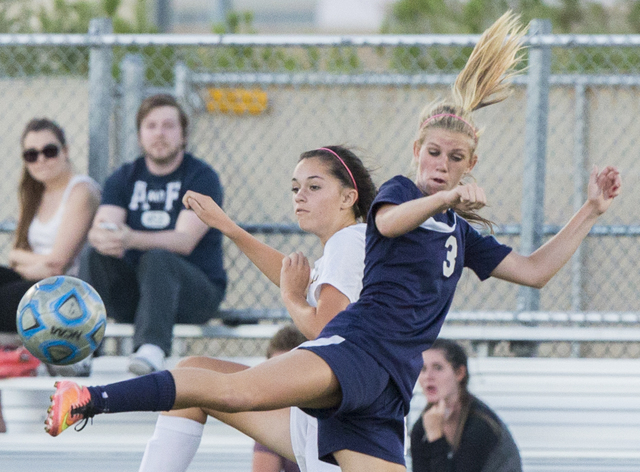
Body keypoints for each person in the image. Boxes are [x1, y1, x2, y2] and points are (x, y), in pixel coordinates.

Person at [44, 12, 621, 472]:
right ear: (416, 152)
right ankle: (89, 400)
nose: (442, 166)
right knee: (232, 390)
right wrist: (444, 199)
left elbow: (536, 270)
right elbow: (389, 226)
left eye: (457, 159)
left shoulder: (458, 234)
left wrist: (590, 211)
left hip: (387, 391)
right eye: (433, 153)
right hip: (357, 355)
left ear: (473, 163)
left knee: (217, 384)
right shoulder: (396, 199)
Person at [136, 145, 374, 472]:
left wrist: (292, 298)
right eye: (295, 188)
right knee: (192, 375)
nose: (300, 195)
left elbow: (325, 332)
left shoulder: (349, 242)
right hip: (326, 423)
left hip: (346, 431)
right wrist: (228, 227)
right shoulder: (347, 244)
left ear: (348, 198)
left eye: (314, 187)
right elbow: (290, 274)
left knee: (191, 378)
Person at [79, 94, 227, 376]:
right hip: (139, 296)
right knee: (94, 256)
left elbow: (184, 240)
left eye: (169, 126)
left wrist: (130, 238)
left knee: (159, 258)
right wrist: (104, 238)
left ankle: (151, 349)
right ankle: (83, 348)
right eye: (151, 126)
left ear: (183, 135)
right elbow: (103, 228)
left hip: (194, 293)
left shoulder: (201, 177)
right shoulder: (124, 177)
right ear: (139, 136)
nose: (160, 133)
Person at [0, 118, 100, 431]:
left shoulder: (82, 191)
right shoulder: (34, 193)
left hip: (67, 295)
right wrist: (27, 261)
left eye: (49, 150)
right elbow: (19, 264)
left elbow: (58, 263)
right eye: (31, 154)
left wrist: (21, 257)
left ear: (66, 151)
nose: (40, 159)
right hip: (35, 288)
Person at [410, 339, 522, 472]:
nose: (428, 376)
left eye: (438, 368)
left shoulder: (480, 423)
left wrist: (435, 438)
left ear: (459, 373)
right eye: (422, 369)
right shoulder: (422, 427)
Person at [253, 324, 307, 472]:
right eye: (275, 371)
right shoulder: (271, 422)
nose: (282, 382)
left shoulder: (332, 410)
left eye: (289, 371)